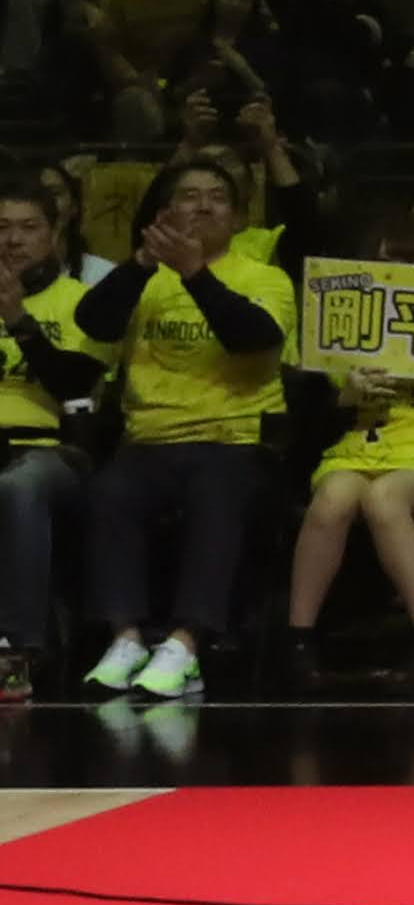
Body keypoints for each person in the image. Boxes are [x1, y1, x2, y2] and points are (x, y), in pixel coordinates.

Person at [74, 155, 296, 698]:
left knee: (216, 492)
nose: (202, 204)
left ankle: (185, 645)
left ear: (239, 218)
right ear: (163, 214)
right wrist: (141, 264)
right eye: (188, 195)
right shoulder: (143, 279)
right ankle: (126, 639)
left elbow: (255, 336)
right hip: (147, 438)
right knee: (109, 492)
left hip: (234, 438)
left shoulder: (264, 276)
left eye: (216, 195)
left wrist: (195, 274)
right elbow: (93, 321)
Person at [282, 200, 414, 672]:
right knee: (332, 499)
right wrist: (345, 396)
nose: (392, 274)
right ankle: (299, 642)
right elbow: (305, 420)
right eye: (381, 263)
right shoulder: (337, 318)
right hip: (359, 440)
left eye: (404, 264)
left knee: (385, 498)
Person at [0, 182, 105, 702]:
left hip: (51, 452)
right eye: (2, 228)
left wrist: (19, 321)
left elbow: (74, 385)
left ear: (54, 232)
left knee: (20, 486)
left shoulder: (80, 303)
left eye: (28, 228)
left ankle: (14, 654)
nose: (13, 240)